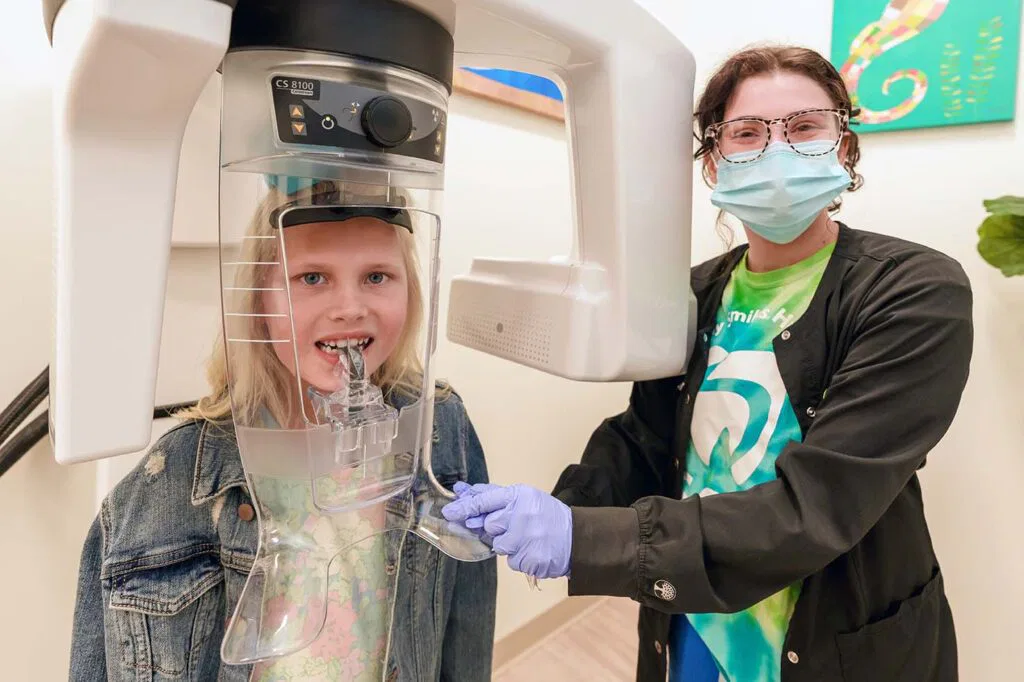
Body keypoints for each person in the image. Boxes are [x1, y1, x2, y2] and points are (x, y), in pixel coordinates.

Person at [443, 45, 972, 682]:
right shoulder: (692, 292)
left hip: (832, 635)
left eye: (805, 127)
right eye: (747, 133)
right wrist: (556, 509)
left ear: (845, 146)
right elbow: (645, 436)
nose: (777, 152)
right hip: (696, 617)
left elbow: (820, 505)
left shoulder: (911, 290)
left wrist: (584, 540)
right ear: (714, 162)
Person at [69, 178, 497, 682]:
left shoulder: (440, 428)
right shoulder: (169, 484)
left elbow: (466, 630)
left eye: (377, 276)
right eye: (312, 277)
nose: (349, 307)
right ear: (258, 299)